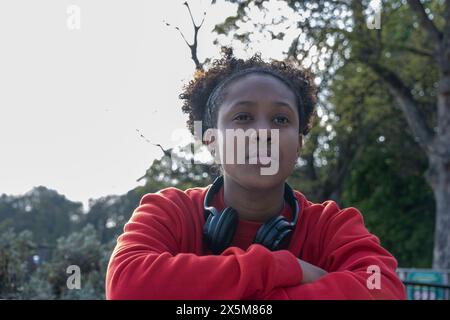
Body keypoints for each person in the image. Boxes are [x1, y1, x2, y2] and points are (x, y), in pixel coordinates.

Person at [105, 48, 406, 300]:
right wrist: (286, 269)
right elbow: (127, 286)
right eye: (243, 117)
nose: (263, 132)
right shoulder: (169, 211)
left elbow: (384, 290)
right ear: (211, 140)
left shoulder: (331, 225)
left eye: (280, 119)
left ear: (299, 143)